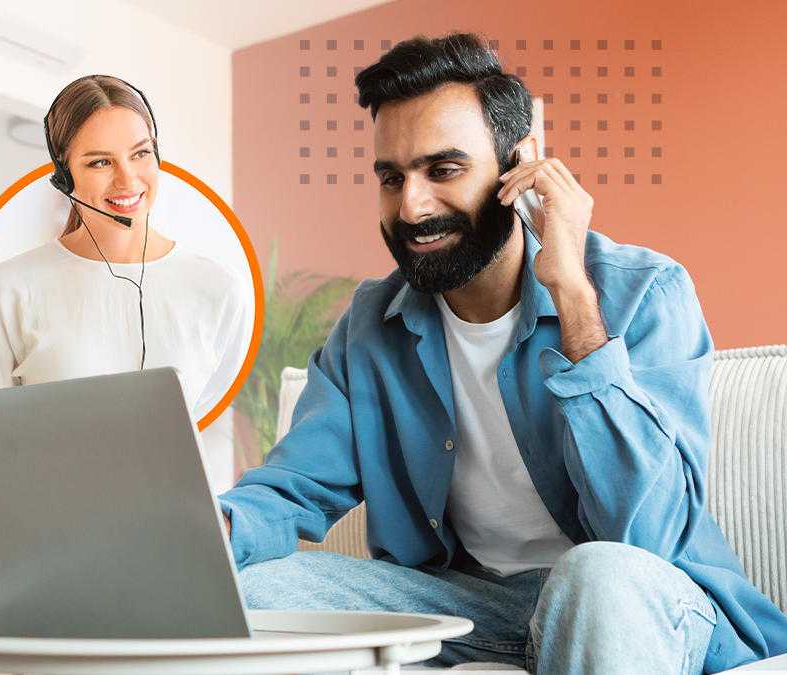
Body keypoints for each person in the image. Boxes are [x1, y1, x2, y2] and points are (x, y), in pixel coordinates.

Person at [217, 33, 787, 674]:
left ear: (521, 168)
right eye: (391, 177)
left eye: (444, 170)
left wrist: (571, 293)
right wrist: (207, 533)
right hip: (473, 608)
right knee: (246, 591)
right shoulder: (369, 327)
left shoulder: (643, 292)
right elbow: (293, 486)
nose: (411, 205)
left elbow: (649, 535)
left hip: (637, 598)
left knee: (597, 576)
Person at [0, 75, 252, 422]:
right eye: (100, 161)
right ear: (64, 175)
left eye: (141, 153)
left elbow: (198, 419)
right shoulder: (11, 287)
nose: (128, 179)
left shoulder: (221, 289)